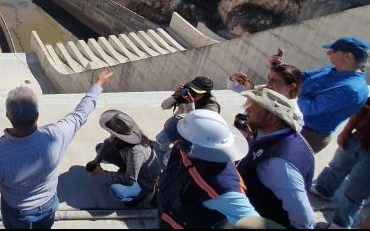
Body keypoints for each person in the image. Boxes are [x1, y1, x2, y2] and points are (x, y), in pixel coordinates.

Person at [0, 69, 115, 229]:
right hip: (48, 206)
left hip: (17, 213)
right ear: (37, 115)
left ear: (8, 116)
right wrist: (98, 85)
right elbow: (80, 114)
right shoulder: (56, 136)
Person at [155, 109, 259, 229]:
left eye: (180, 139)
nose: (176, 142)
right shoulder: (185, 149)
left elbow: (252, 221)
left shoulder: (222, 186)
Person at [236, 88, 315, 229]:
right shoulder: (286, 136)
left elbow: (302, 215)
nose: (247, 110)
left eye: (253, 109)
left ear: (272, 119)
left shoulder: (278, 163)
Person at [297, 37, 369, 153]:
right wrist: (281, 69)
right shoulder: (332, 69)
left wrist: (292, 90)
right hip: (296, 125)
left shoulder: (351, 90)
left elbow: (307, 108)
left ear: (348, 56)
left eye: (334, 50)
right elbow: (303, 76)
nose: (328, 52)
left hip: (306, 135)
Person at [310, 97, 370, 228]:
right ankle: (323, 190)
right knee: (335, 167)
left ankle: (339, 225)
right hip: (356, 139)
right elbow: (361, 110)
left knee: (355, 193)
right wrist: (346, 131)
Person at [86, 110, 161, 208]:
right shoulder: (122, 134)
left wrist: (103, 173)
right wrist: (97, 160)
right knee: (100, 148)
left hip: (144, 180)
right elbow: (108, 143)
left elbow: (130, 179)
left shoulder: (136, 150)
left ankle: (138, 197)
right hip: (130, 162)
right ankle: (124, 169)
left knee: (116, 191)